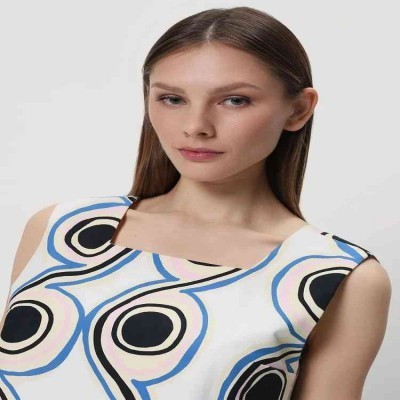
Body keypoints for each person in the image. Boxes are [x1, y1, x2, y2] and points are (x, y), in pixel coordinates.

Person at [0, 6, 391, 400]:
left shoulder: (334, 275)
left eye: (234, 100)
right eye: (172, 98)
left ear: (298, 109)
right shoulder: (61, 229)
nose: (195, 126)